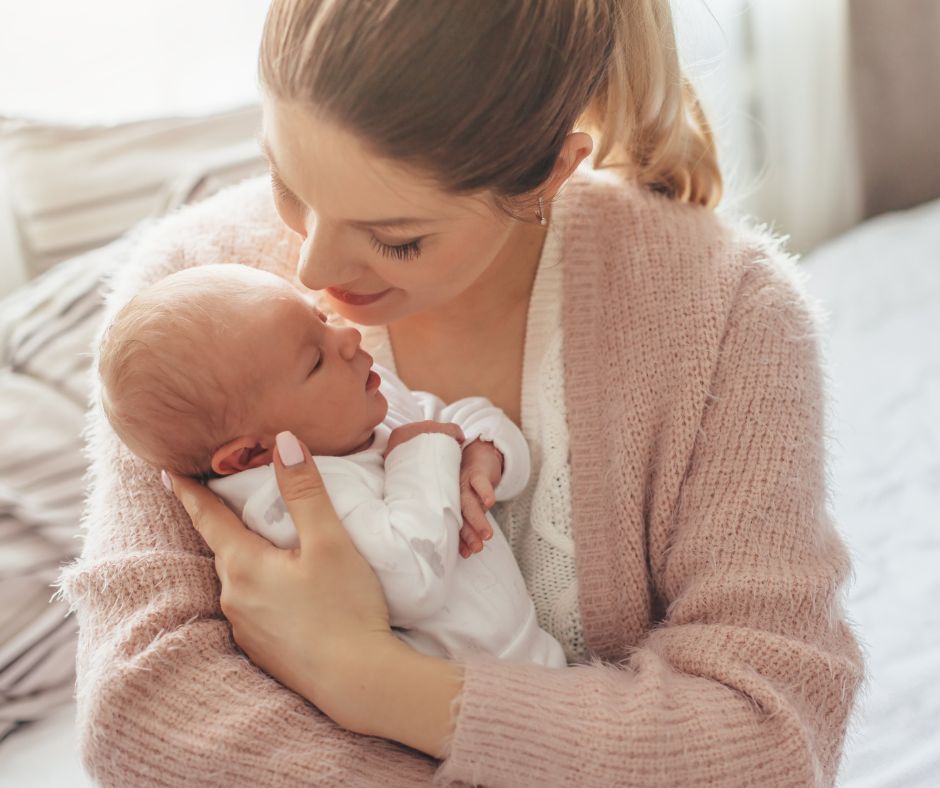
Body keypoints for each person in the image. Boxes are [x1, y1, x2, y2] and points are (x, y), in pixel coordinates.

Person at [59, 1, 865, 785]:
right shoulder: (187, 302)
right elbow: (140, 711)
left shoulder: (727, 315)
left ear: (550, 173)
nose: (313, 273)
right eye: (287, 182)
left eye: (396, 239)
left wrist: (367, 681)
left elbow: (770, 740)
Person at [96, 262, 566, 667]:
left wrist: (484, 454)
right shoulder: (288, 505)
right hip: (463, 700)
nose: (347, 336)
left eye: (320, 317)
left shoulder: (364, 411)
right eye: (315, 361)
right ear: (250, 455)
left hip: (535, 658)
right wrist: (421, 452)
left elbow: (464, 416)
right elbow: (413, 584)